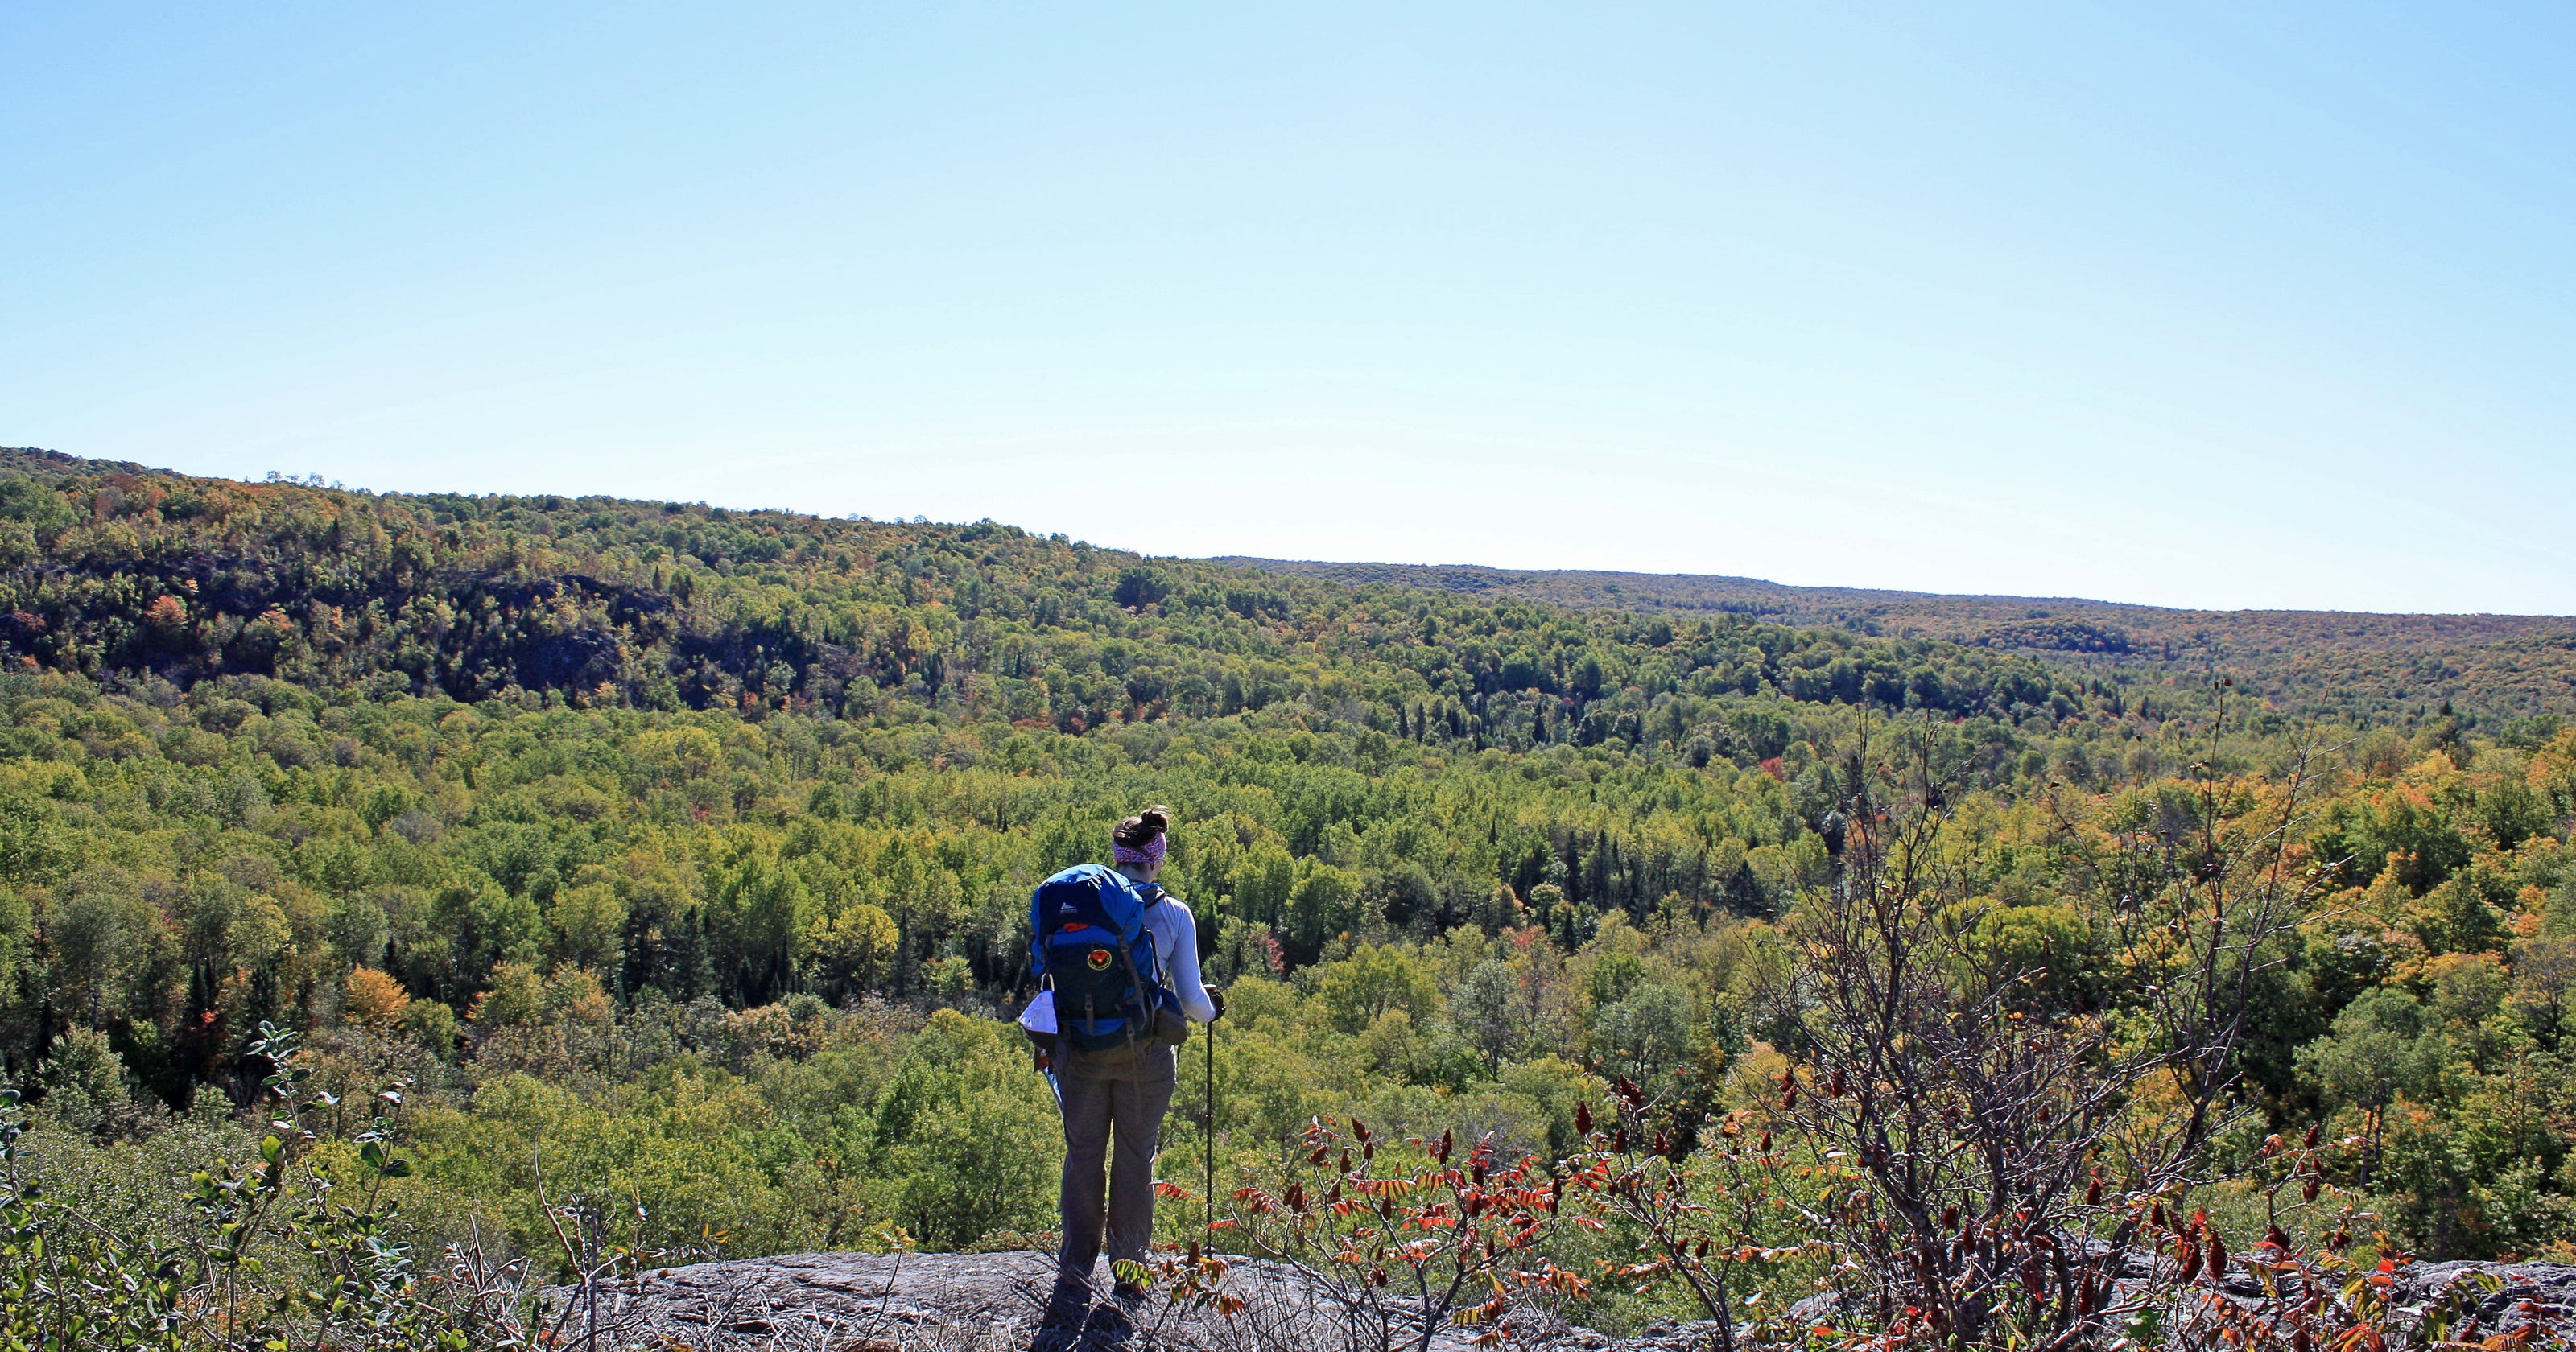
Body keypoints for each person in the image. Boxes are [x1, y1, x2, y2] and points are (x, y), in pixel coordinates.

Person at [1051, 805, 1220, 1308]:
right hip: (1144, 1056)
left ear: (1117, 857)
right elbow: (1192, 1003)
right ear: (1156, 859)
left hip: (1078, 1049)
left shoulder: (1078, 905)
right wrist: (1213, 1013)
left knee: (1083, 1155)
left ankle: (1077, 1268)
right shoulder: (1173, 914)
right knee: (1133, 1158)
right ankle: (1128, 1272)